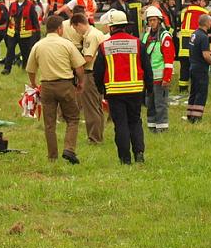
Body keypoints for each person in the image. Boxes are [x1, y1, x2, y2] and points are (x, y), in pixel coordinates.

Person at [94, 10, 153, 164]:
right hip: (135, 90)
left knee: (120, 124)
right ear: (125, 26)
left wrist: (101, 89)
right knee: (135, 122)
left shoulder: (104, 46)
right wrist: (149, 88)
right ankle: (139, 153)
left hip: (114, 92)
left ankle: (125, 158)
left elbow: (97, 71)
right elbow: (147, 68)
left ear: (112, 27)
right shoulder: (137, 43)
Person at [26, 15, 87, 164]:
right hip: (65, 85)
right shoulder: (66, 44)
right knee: (73, 118)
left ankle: (52, 156)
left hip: (46, 86)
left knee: (49, 124)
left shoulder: (38, 45)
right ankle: (69, 149)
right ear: (60, 29)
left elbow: (30, 69)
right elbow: (79, 67)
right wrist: (81, 82)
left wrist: (33, 83)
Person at [70, 12, 107, 144]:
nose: (76, 31)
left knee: (90, 107)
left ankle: (94, 138)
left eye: (75, 28)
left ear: (78, 24)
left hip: (90, 73)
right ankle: (98, 135)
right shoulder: (95, 33)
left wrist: (74, 65)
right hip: (97, 73)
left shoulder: (91, 36)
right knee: (97, 106)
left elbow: (88, 57)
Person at [141, 7, 175, 132]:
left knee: (160, 104)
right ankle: (151, 127)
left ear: (159, 20)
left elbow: (169, 60)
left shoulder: (164, 37)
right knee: (149, 104)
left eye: (154, 20)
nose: (152, 23)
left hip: (160, 78)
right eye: (149, 21)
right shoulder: (145, 37)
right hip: (149, 78)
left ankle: (162, 128)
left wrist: (167, 77)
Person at [2, 0, 40, 75]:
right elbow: (9, 19)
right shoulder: (12, 5)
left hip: (25, 34)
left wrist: (37, 34)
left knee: (25, 53)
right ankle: (7, 69)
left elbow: (35, 20)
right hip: (13, 33)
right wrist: (5, 33)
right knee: (10, 51)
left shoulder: (30, 6)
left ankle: (26, 68)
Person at [176, 0, 208, 93]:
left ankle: (182, 88)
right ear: (198, 1)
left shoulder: (185, 10)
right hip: (195, 43)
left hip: (184, 43)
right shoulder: (204, 12)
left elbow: (180, 22)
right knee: (195, 65)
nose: (205, 3)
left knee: (184, 66)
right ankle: (195, 87)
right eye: (203, 1)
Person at [185, 14, 211, 123]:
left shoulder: (194, 34)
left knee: (193, 91)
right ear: (207, 23)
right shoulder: (203, 37)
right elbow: (205, 55)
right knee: (201, 92)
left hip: (193, 65)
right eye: (210, 22)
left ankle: (190, 115)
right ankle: (197, 117)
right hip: (201, 68)